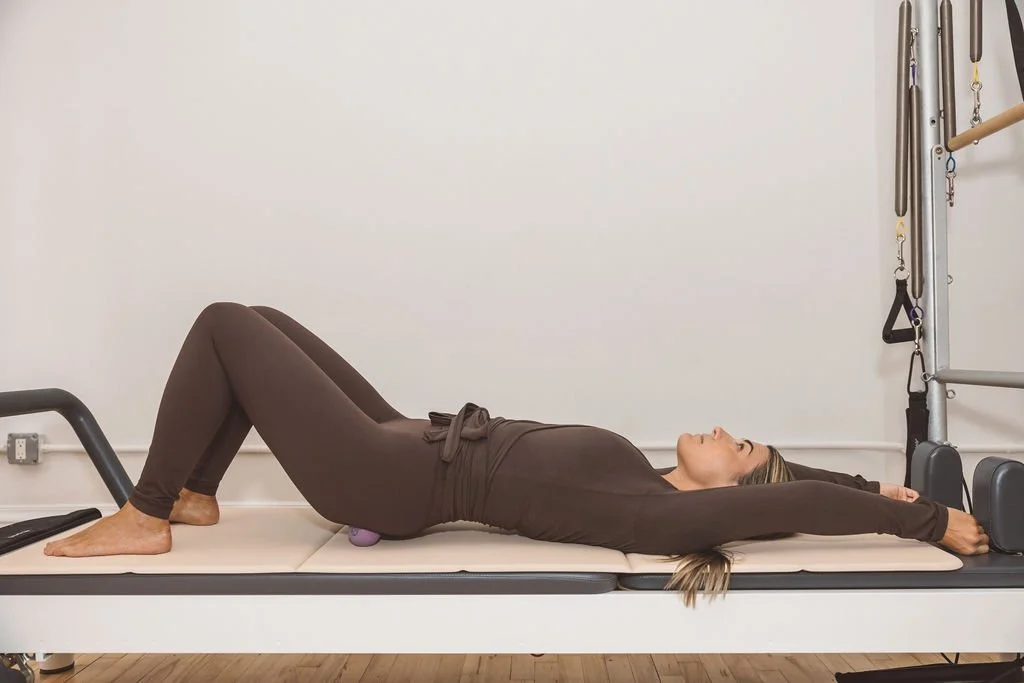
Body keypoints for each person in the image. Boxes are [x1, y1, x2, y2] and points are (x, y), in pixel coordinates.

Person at [42, 302, 990, 606]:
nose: (719, 429)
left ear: (735, 490)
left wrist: (925, 520)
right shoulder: (647, 476)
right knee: (256, 316)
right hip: (405, 438)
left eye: (737, 446)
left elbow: (802, 506)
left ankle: (149, 509)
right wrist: (879, 479)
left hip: (393, 477)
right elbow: (808, 486)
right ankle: (198, 491)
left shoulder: (666, 517)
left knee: (219, 325)